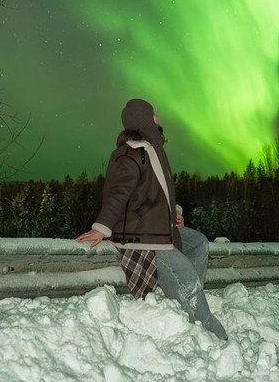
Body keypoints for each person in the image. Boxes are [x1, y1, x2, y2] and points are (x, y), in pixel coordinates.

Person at [76, 98, 228, 340]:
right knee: (187, 277)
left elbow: (157, 192)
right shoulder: (130, 153)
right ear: (144, 120)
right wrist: (101, 228)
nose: (158, 117)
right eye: (153, 114)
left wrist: (174, 213)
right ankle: (210, 331)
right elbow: (118, 193)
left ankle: (183, 299)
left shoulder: (153, 150)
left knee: (198, 242)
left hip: (158, 227)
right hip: (143, 236)